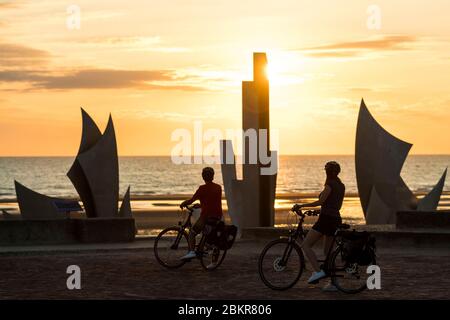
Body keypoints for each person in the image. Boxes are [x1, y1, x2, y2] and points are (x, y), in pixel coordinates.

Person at [293, 161, 345, 291]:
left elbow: (321, 201)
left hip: (326, 220)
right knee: (327, 253)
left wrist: (301, 205)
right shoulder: (341, 185)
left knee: (305, 245)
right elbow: (333, 205)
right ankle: (333, 284)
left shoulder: (330, 184)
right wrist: (318, 211)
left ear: (327, 172)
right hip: (335, 219)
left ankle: (317, 272)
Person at [179, 167, 223, 265]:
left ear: (203, 176)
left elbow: (191, 200)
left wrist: (183, 203)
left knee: (192, 233)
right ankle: (213, 262)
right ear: (213, 176)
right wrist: (201, 205)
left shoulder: (202, 189)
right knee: (210, 238)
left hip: (206, 217)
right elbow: (213, 202)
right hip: (217, 217)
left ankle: (191, 252)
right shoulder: (218, 187)